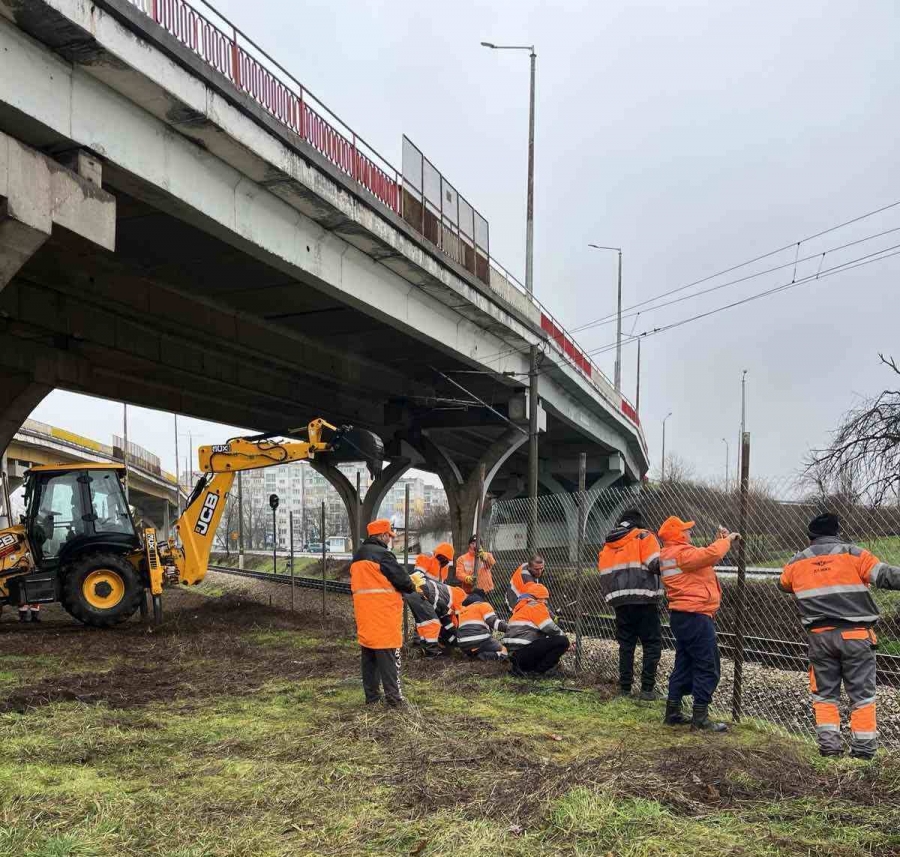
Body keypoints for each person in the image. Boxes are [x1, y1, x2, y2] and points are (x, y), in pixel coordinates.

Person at [779, 512, 900, 759]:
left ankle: (830, 749)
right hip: (855, 636)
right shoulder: (854, 554)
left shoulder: (796, 563)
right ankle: (863, 753)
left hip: (819, 638)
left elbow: (782, 584)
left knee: (825, 696)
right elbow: (886, 576)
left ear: (810, 536)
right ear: (837, 532)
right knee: (862, 696)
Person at [658, 517, 738, 732]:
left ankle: (672, 711)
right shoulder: (681, 553)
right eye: (686, 530)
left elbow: (703, 559)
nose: (690, 533)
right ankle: (700, 718)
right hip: (696, 616)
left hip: (683, 616)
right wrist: (727, 540)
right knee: (707, 665)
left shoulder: (671, 554)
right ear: (678, 535)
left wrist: (718, 541)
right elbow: (709, 555)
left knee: (684, 664)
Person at [350, 519, 416, 707]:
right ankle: (395, 699)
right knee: (389, 658)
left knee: (369, 657)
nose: (390, 539)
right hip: (384, 615)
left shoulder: (358, 557)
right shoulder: (383, 555)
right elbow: (403, 581)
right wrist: (412, 585)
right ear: (383, 535)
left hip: (365, 616)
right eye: (389, 535)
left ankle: (372, 698)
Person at [597, 508, 662, 700]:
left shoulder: (608, 544)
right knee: (651, 644)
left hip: (620, 602)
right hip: (644, 599)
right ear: (638, 522)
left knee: (626, 645)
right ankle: (647, 690)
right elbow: (655, 564)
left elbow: (603, 572)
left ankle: (625, 689)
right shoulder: (644, 536)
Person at [502, 582, 570, 676]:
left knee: (547, 641)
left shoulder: (520, 608)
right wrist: (565, 637)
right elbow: (549, 628)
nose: (546, 602)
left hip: (514, 656)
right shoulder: (536, 606)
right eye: (544, 598)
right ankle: (538, 672)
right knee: (563, 641)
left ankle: (526, 670)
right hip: (525, 654)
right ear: (537, 598)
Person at [457, 591, 508, 661]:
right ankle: (486, 656)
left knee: (480, 647)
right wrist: (509, 628)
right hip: (479, 641)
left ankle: (474, 656)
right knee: (504, 650)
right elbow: (494, 623)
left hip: (463, 645)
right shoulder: (483, 605)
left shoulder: (462, 611)